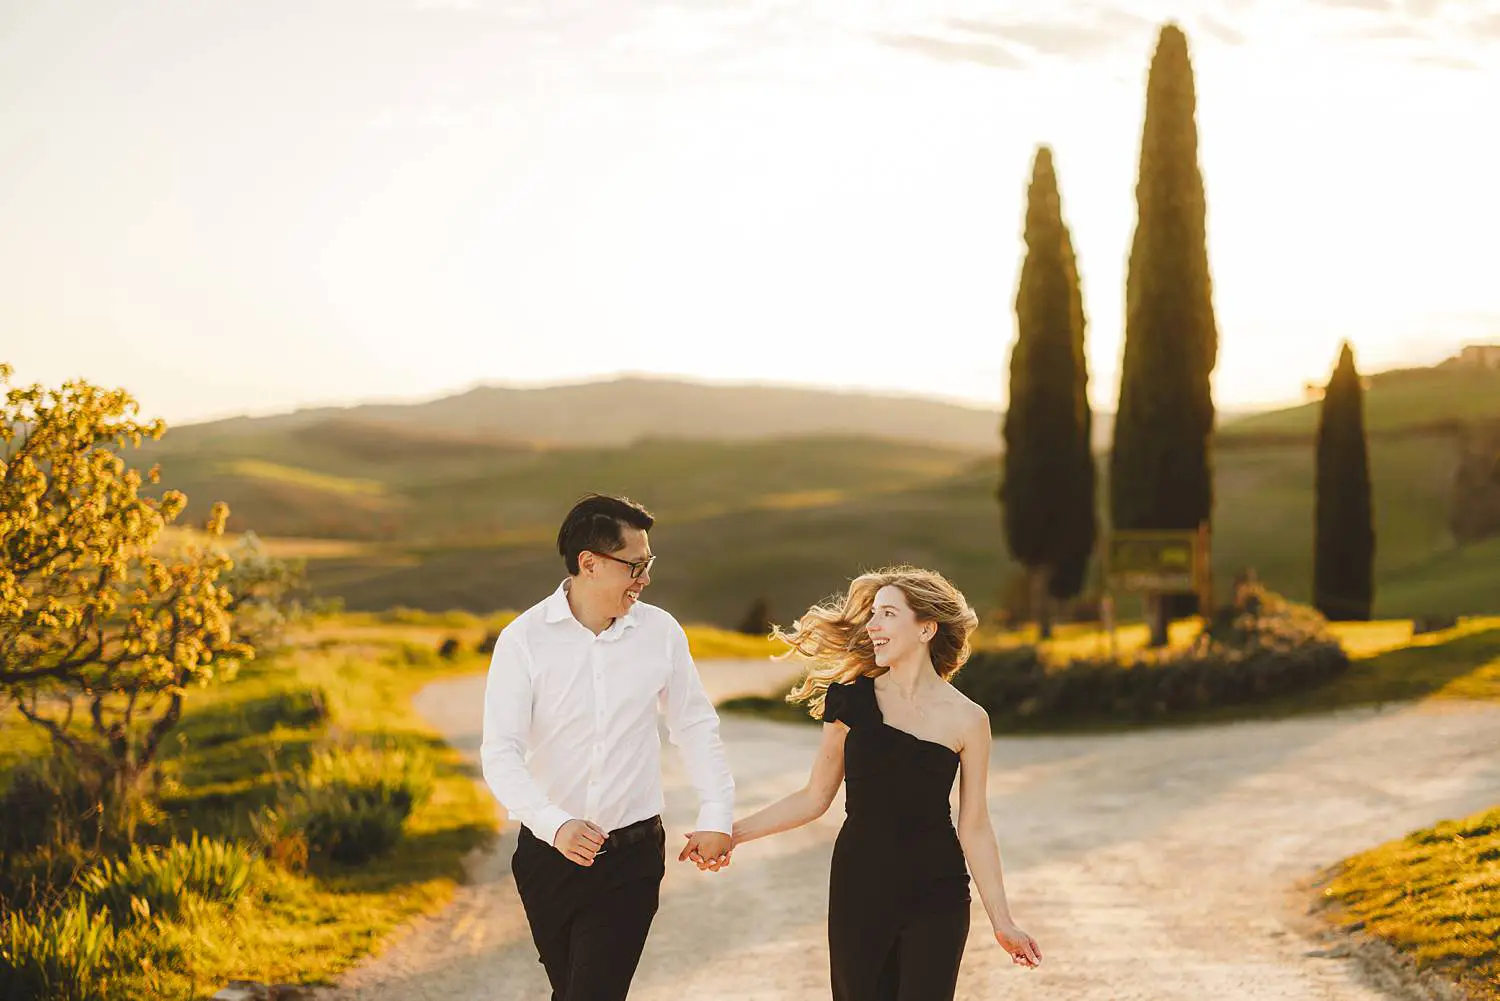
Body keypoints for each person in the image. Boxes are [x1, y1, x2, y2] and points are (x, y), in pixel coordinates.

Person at [730, 566, 1041, 1000]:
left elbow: (975, 826)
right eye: (873, 614)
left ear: (926, 628)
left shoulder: (969, 720)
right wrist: (732, 834)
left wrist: (1002, 921)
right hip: (861, 888)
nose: (872, 626)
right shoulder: (850, 699)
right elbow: (814, 797)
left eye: (888, 614)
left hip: (938, 893)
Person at [480, 493, 736, 1001]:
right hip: (547, 858)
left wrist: (717, 813)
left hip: (632, 859)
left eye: (649, 565)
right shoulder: (523, 639)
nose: (644, 579)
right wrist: (554, 823)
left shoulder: (661, 633)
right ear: (589, 563)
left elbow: (694, 725)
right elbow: (500, 752)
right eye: (635, 566)